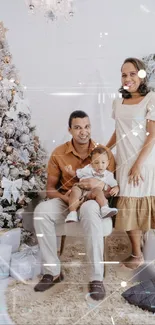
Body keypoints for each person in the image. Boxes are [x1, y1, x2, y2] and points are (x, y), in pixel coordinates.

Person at [33, 110, 115, 300]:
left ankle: (96, 278)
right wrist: (68, 199)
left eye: (86, 127)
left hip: (92, 201)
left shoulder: (103, 152)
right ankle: (52, 272)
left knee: (91, 209)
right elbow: (50, 189)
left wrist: (100, 185)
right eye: (77, 127)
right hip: (67, 199)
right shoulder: (59, 153)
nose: (83, 132)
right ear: (70, 130)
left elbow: (113, 187)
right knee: (41, 212)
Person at [106, 57, 155, 269]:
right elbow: (119, 131)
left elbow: (152, 135)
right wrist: (106, 149)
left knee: (146, 204)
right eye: (124, 74)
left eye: (132, 74)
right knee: (127, 207)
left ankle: (147, 250)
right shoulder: (118, 102)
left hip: (144, 162)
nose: (127, 78)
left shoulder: (151, 99)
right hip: (124, 163)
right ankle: (137, 254)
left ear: (141, 75)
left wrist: (138, 164)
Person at [64, 146, 119, 223]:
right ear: (92, 163)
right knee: (74, 190)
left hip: (92, 192)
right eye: (96, 162)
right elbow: (77, 174)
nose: (100, 165)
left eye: (103, 162)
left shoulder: (108, 175)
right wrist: (70, 171)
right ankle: (72, 213)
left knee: (98, 191)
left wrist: (116, 188)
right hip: (81, 188)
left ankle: (104, 208)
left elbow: (114, 185)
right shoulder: (88, 168)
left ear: (108, 163)